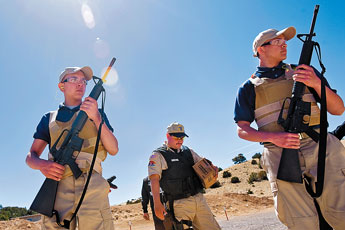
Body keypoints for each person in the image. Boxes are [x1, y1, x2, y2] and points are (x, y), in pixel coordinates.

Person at [234, 26, 345, 229]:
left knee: (342, 212)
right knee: (302, 222)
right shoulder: (248, 88)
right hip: (279, 153)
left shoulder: (305, 72)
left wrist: (316, 83)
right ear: (261, 49)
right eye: (277, 41)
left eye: (285, 41)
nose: (284, 44)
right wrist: (275, 138)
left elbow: (338, 109)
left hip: (321, 147)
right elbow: (242, 129)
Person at [26, 66, 119, 230]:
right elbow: (30, 157)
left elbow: (113, 149)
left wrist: (96, 118)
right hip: (58, 185)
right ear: (61, 86)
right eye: (74, 79)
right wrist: (43, 165)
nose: (80, 84)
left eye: (83, 81)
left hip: (92, 184)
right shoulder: (49, 118)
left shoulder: (98, 114)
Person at [148, 122, 221, 230]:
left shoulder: (188, 151)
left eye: (182, 137)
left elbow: (202, 162)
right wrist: (157, 204)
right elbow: (154, 180)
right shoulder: (158, 155)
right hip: (178, 204)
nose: (180, 140)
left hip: (199, 199)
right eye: (176, 137)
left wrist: (212, 167)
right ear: (168, 136)